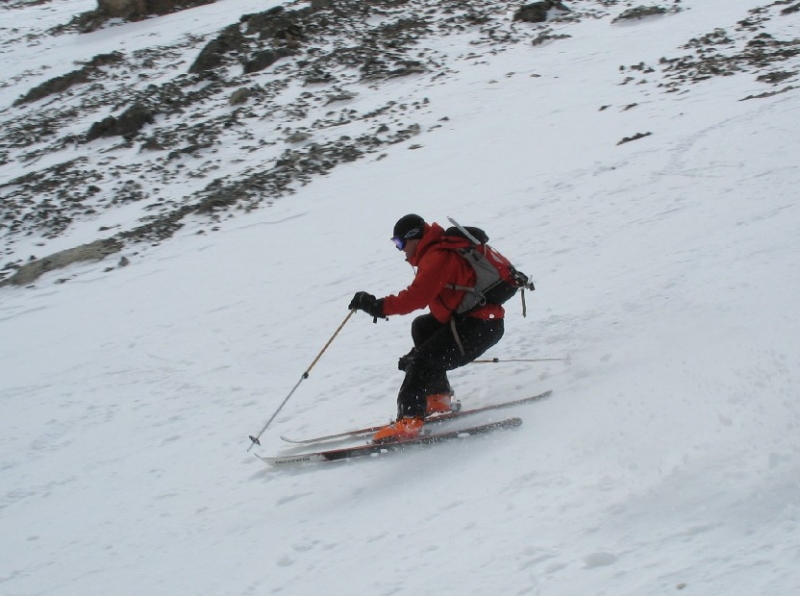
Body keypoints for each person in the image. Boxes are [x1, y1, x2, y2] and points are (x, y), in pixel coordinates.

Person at [348, 214, 505, 443]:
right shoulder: (436, 252)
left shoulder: (437, 257)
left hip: (479, 326)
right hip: (476, 322)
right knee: (422, 327)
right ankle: (437, 398)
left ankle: (409, 421)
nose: (400, 249)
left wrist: (376, 306)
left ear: (414, 238)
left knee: (419, 361)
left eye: (399, 243)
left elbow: (416, 298)